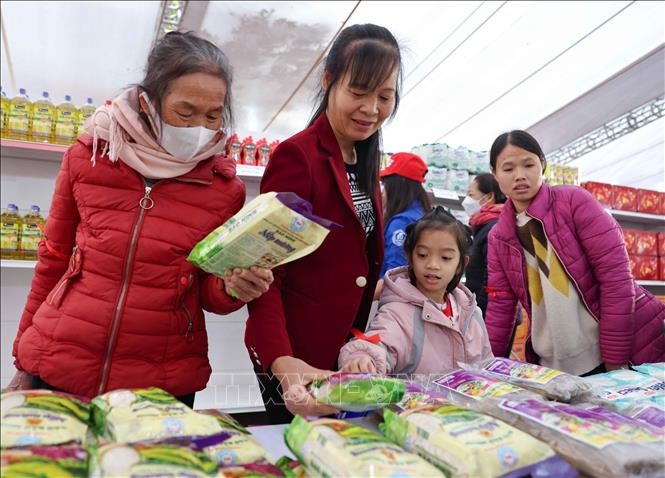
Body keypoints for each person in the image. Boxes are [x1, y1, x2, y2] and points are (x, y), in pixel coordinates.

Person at [6, 31, 273, 406]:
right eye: (185, 112)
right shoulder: (91, 155)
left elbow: (206, 290)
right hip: (60, 361)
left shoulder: (222, 188)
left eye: (213, 116)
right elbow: (53, 259)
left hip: (162, 379)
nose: (200, 127)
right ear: (149, 103)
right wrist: (23, 355)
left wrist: (233, 288)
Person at [245, 23, 404, 423]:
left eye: (385, 96)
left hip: (343, 350)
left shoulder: (363, 156)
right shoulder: (299, 157)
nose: (371, 109)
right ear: (328, 80)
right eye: (358, 92)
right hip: (296, 354)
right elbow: (266, 272)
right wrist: (282, 363)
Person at [485, 130, 665, 376]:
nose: (520, 176)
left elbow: (617, 281)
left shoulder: (573, 202)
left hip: (618, 348)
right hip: (553, 363)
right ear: (495, 175)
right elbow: (501, 306)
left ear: (542, 165)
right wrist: (486, 367)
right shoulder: (499, 236)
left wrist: (614, 358)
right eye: (508, 169)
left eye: (529, 165)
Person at [339, 206, 492, 375]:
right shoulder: (398, 311)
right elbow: (379, 340)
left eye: (446, 258)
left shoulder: (470, 311)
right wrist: (362, 357)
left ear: (461, 264)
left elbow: (486, 362)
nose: (432, 265)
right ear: (409, 256)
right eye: (422, 255)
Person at [375, 151, 431, 299]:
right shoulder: (422, 214)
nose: (382, 192)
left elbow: (395, 275)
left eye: (385, 185)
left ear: (399, 185)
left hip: (390, 300)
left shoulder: (403, 222)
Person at [462, 173, 506, 316]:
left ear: (488, 198)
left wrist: (478, 311)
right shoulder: (482, 226)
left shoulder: (494, 228)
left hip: (487, 315)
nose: (466, 200)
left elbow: (494, 282)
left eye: (471, 194)